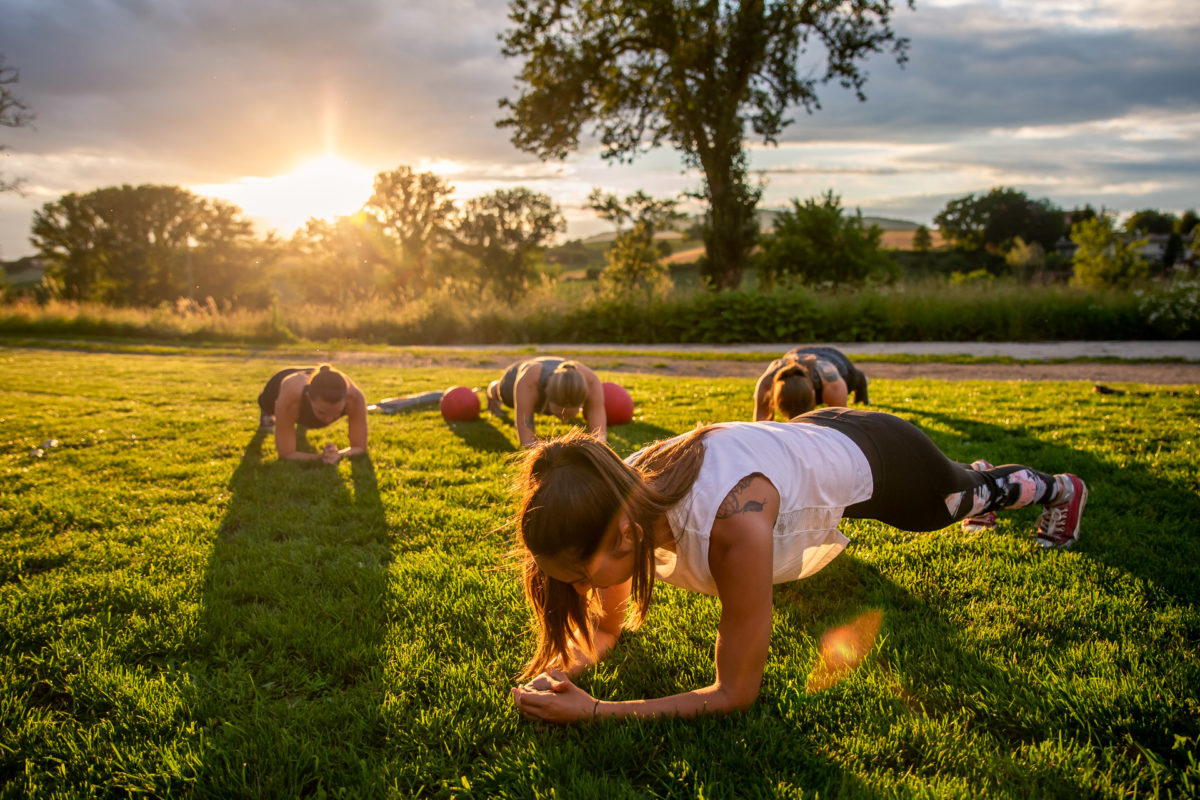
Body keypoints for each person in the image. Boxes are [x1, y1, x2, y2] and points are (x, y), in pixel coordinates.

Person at [508, 408, 1087, 724]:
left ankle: (1054, 489)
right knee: (960, 485)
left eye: (582, 579)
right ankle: (964, 477)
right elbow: (608, 626)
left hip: (888, 462)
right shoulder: (612, 490)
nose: (583, 591)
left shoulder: (731, 523)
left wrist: (598, 713)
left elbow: (735, 692)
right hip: (815, 433)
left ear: (624, 538)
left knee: (965, 498)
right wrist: (567, 666)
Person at [256, 364, 368, 465]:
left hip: (315, 380)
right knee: (268, 409)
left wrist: (337, 454)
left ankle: (309, 415)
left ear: (346, 399)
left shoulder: (354, 398)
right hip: (275, 389)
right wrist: (320, 457)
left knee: (309, 417)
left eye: (336, 413)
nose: (329, 420)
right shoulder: (291, 398)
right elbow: (286, 454)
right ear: (308, 398)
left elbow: (359, 447)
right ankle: (269, 414)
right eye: (322, 412)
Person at [486, 356, 607, 448]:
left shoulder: (591, 382)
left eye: (570, 415)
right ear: (548, 398)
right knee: (498, 393)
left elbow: (600, 436)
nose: (564, 421)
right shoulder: (529, 382)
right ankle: (491, 389)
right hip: (514, 379)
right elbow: (527, 439)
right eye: (561, 415)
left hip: (555, 371)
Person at [753, 346, 870, 421]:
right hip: (797, 352)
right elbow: (760, 425)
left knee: (855, 378)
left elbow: (839, 425)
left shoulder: (832, 382)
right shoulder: (766, 384)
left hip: (834, 358)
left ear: (813, 394)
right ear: (773, 398)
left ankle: (863, 381)